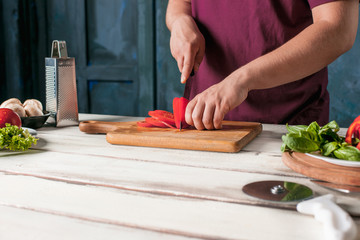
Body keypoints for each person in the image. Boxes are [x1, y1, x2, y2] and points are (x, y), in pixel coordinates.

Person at [166, 0, 359, 130]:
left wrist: (242, 79)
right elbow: (180, 4)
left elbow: (338, 30)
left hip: (284, 130)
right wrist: (179, 21)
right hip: (201, 124)